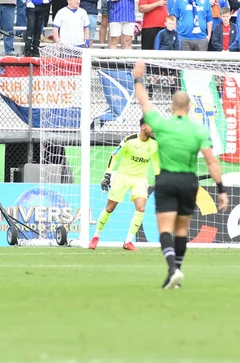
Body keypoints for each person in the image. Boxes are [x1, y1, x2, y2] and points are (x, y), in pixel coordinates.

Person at [132, 59, 229, 289]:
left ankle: (173, 269)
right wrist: (221, 189)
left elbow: (143, 101)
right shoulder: (199, 130)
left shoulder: (161, 124)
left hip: (166, 179)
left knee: (165, 229)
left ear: (172, 107)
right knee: (182, 230)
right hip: (188, 181)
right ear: (190, 108)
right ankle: (175, 273)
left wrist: (138, 78)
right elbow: (211, 161)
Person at [89, 118, 160, 251]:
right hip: (123, 177)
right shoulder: (129, 140)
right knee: (110, 208)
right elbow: (114, 155)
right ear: (143, 126)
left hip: (140, 179)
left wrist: (158, 177)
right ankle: (96, 236)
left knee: (141, 208)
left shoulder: (155, 144)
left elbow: (156, 161)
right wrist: (107, 175)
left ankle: (128, 241)